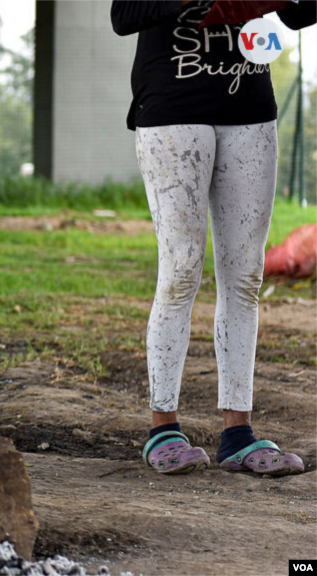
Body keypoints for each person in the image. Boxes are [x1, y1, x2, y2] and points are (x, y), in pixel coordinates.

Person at [112, 0, 317, 475]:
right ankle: (163, 428)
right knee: (181, 268)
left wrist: (282, 11)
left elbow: (297, 12)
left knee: (245, 275)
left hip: (249, 107)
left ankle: (238, 435)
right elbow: (124, 15)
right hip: (171, 107)